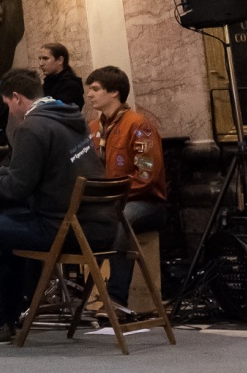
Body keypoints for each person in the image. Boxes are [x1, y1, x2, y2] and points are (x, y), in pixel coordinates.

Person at [0, 68, 114, 344]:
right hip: (100, 225)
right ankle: (7, 317)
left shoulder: (32, 126)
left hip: (65, 229)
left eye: (7, 104)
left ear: (16, 98)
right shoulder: (68, 118)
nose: (9, 111)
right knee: (5, 226)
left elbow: (17, 187)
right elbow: (23, 169)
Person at [86, 66, 167, 310]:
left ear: (115, 92)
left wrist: (111, 196)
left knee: (123, 218)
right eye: (89, 89)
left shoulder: (139, 125)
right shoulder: (92, 128)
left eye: (95, 89)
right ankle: (82, 297)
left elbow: (146, 175)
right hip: (107, 202)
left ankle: (116, 300)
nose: (89, 95)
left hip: (145, 203)